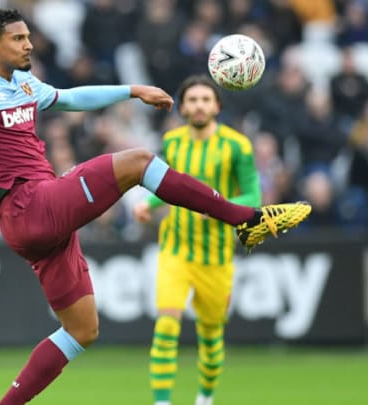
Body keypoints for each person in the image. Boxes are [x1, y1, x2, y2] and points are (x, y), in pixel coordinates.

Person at [0, 9, 311, 405]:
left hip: (43, 226)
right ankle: (246, 219)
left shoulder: (23, 83)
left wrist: (132, 89)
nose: (29, 44)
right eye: (18, 39)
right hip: (28, 205)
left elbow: (68, 99)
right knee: (138, 162)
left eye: (28, 36)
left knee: (82, 330)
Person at [133, 75, 260, 405]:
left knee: (211, 336)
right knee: (166, 326)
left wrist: (218, 208)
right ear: (183, 107)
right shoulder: (172, 142)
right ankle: (162, 402)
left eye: (206, 99)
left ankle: (204, 398)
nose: (199, 105)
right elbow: (168, 186)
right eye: (192, 100)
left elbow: (253, 194)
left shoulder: (237, 146)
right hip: (176, 250)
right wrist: (149, 203)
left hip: (217, 257)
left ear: (217, 106)